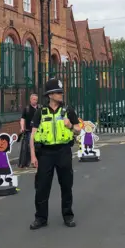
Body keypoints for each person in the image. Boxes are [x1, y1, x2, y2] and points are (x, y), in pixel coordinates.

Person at [29, 78, 81, 230]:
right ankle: (40, 218)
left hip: (63, 151)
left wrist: (70, 125)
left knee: (66, 185)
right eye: (58, 92)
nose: (61, 94)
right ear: (50, 95)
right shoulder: (40, 112)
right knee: (42, 187)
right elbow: (33, 135)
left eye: (61, 92)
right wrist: (33, 155)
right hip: (45, 153)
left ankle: (68, 215)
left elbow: (78, 129)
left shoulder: (68, 111)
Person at [18, 93, 39, 168]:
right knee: (29, 147)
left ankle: (38, 161)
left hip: (39, 131)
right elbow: (23, 119)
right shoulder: (27, 109)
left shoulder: (40, 108)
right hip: (29, 131)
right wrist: (22, 127)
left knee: (38, 147)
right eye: (34, 99)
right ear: (30, 100)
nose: (35, 101)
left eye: (36, 100)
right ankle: (29, 162)